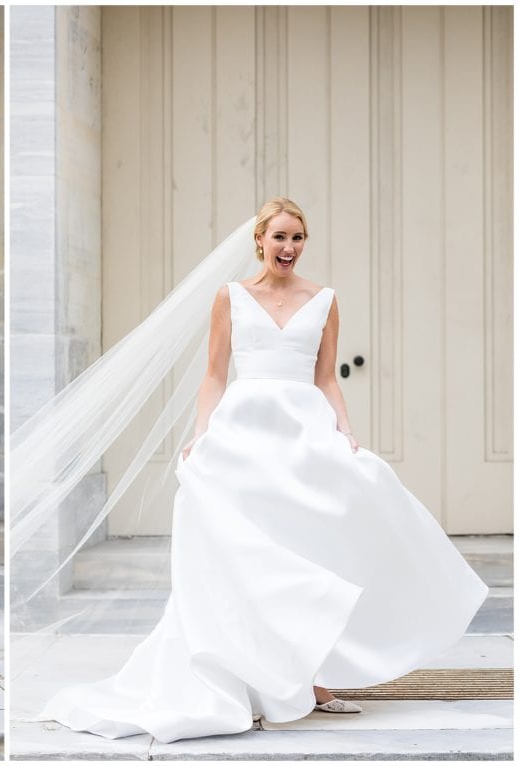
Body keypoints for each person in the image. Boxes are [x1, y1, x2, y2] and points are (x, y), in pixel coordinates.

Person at [30, 197, 488, 742]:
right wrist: (202, 434)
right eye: (279, 237)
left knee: (311, 547)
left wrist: (345, 428)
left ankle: (316, 679)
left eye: (297, 238)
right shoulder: (230, 298)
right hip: (243, 436)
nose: (288, 248)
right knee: (246, 558)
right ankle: (247, 679)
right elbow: (215, 375)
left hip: (303, 437)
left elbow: (326, 378)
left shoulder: (324, 300)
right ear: (259, 241)